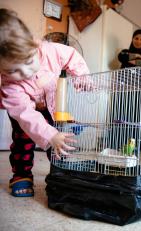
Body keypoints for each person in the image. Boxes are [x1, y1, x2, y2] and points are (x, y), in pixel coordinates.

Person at [0, 8, 90, 197]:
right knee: (23, 142)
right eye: (12, 71)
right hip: (26, 115)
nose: (25, 73)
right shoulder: (11, 88)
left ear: (34, 45)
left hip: (50, 104)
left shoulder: (51, 50)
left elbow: (73, 56)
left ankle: (61, 171)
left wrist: (82, 76)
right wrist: (49, 135)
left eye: (28, 61)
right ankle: (21, 174)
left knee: (59, 137)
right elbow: (27, 116)